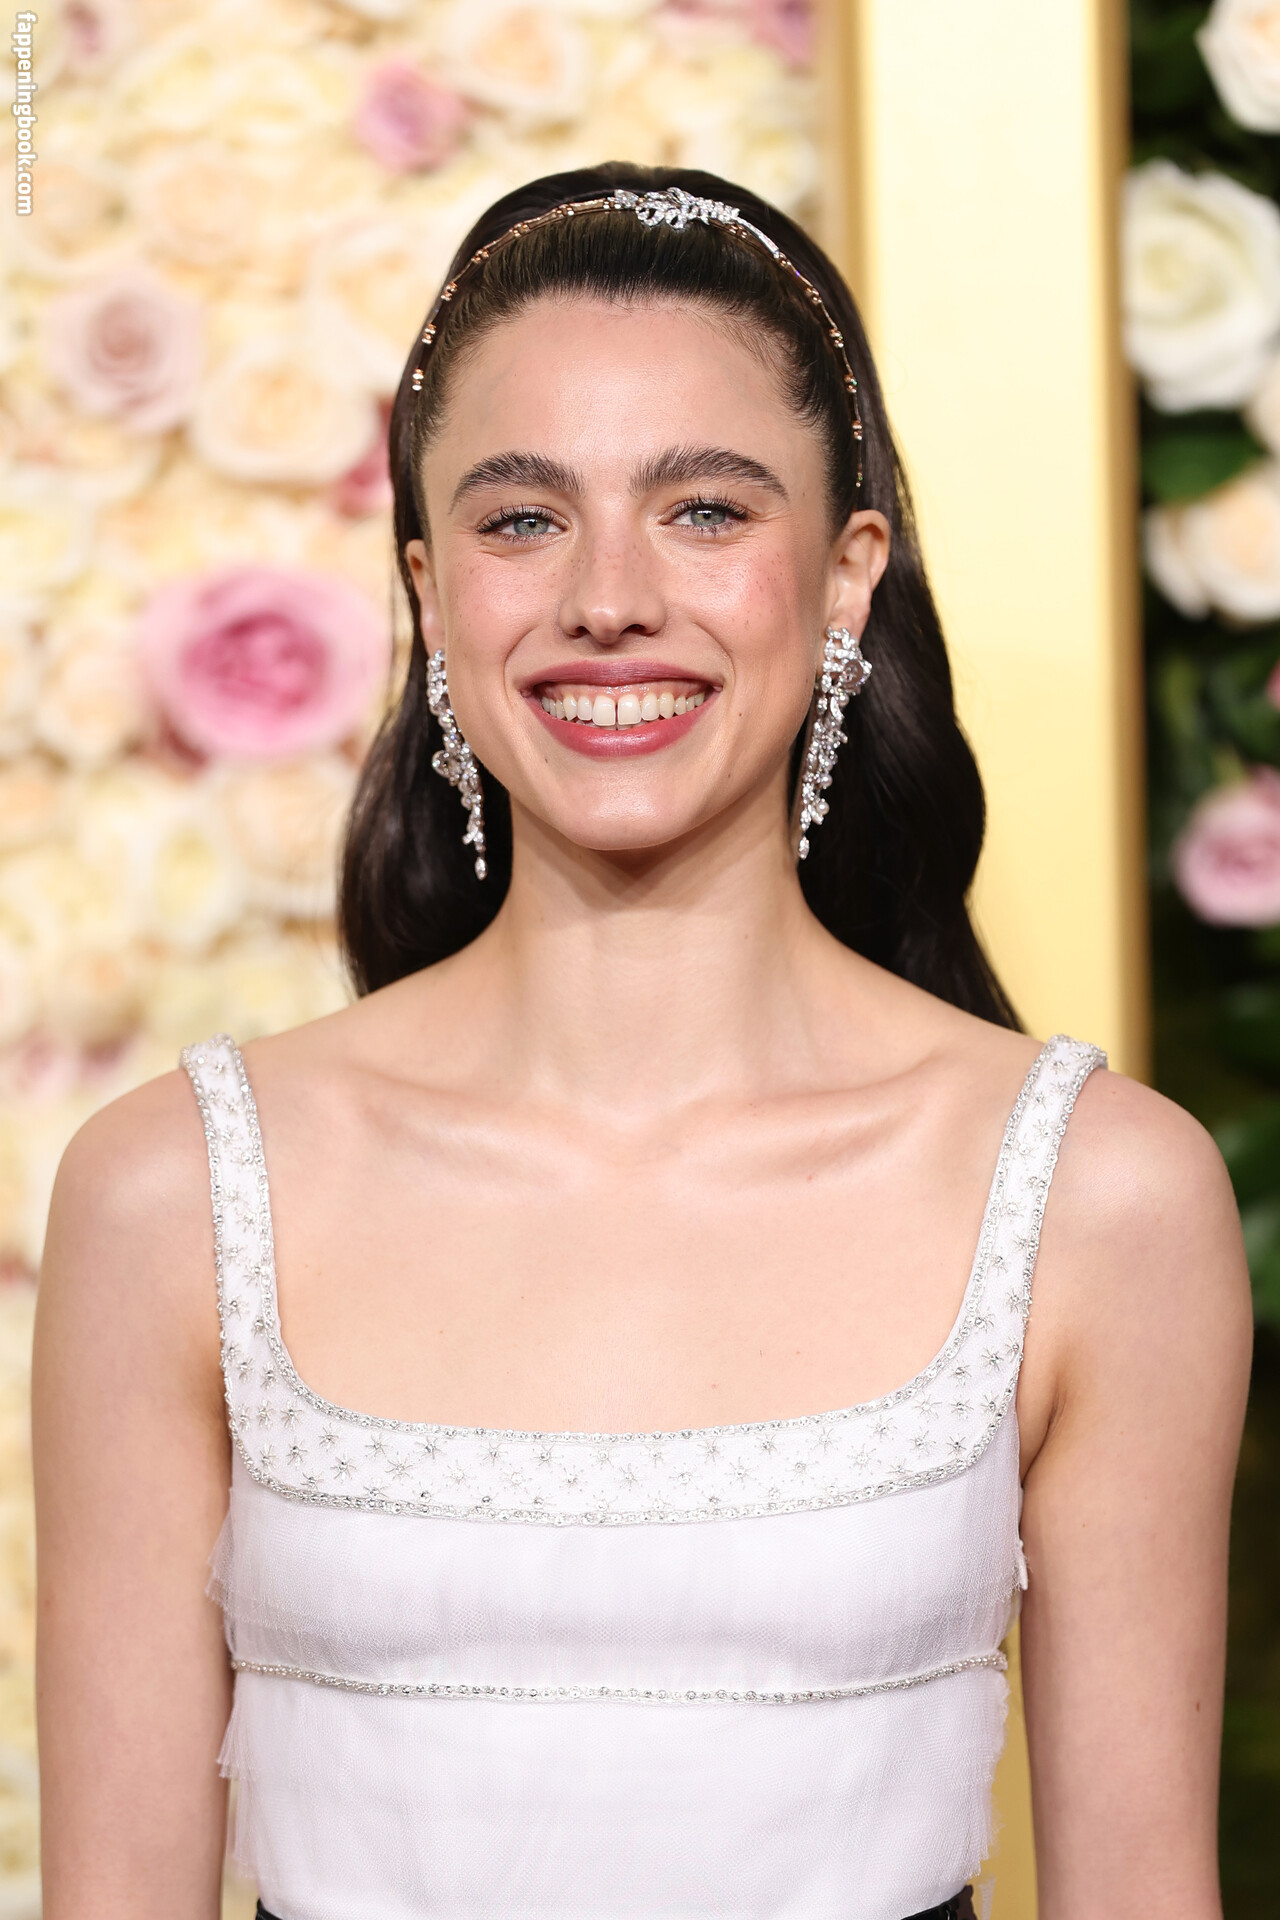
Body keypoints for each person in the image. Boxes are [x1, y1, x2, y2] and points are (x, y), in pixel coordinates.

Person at [33, 163, 1252, 1920]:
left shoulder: (1101, 1199)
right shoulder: (170, 1197)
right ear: (430, 591)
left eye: (704, 510)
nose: (609, 597)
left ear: (846, 577)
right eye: (524, 518)